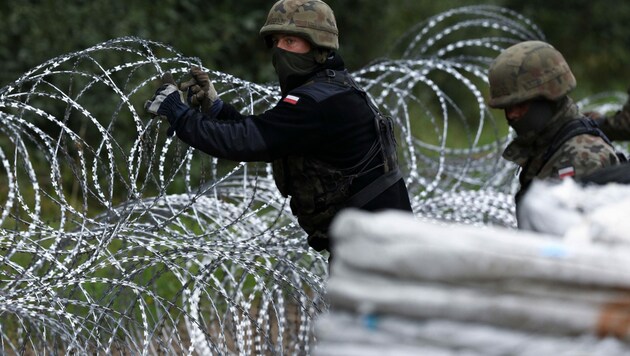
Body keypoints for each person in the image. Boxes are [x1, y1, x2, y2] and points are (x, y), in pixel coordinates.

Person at [144, 0, 413, 257]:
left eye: (290, 41)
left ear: (318, 45)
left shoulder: (318, 102)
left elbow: (245, 141)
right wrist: (216, 108)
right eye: (276, 42)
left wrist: (177, 112)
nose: (280, 50)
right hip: (377, 243)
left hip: (378, 252)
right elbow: (267, 133)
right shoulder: (333, 90)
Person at [487, 40, 620, 224]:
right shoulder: (547, 143)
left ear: (550, 96)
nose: (512, 114)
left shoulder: (582, 157)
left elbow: (580, 240)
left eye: (521, 104)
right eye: (506, 107)